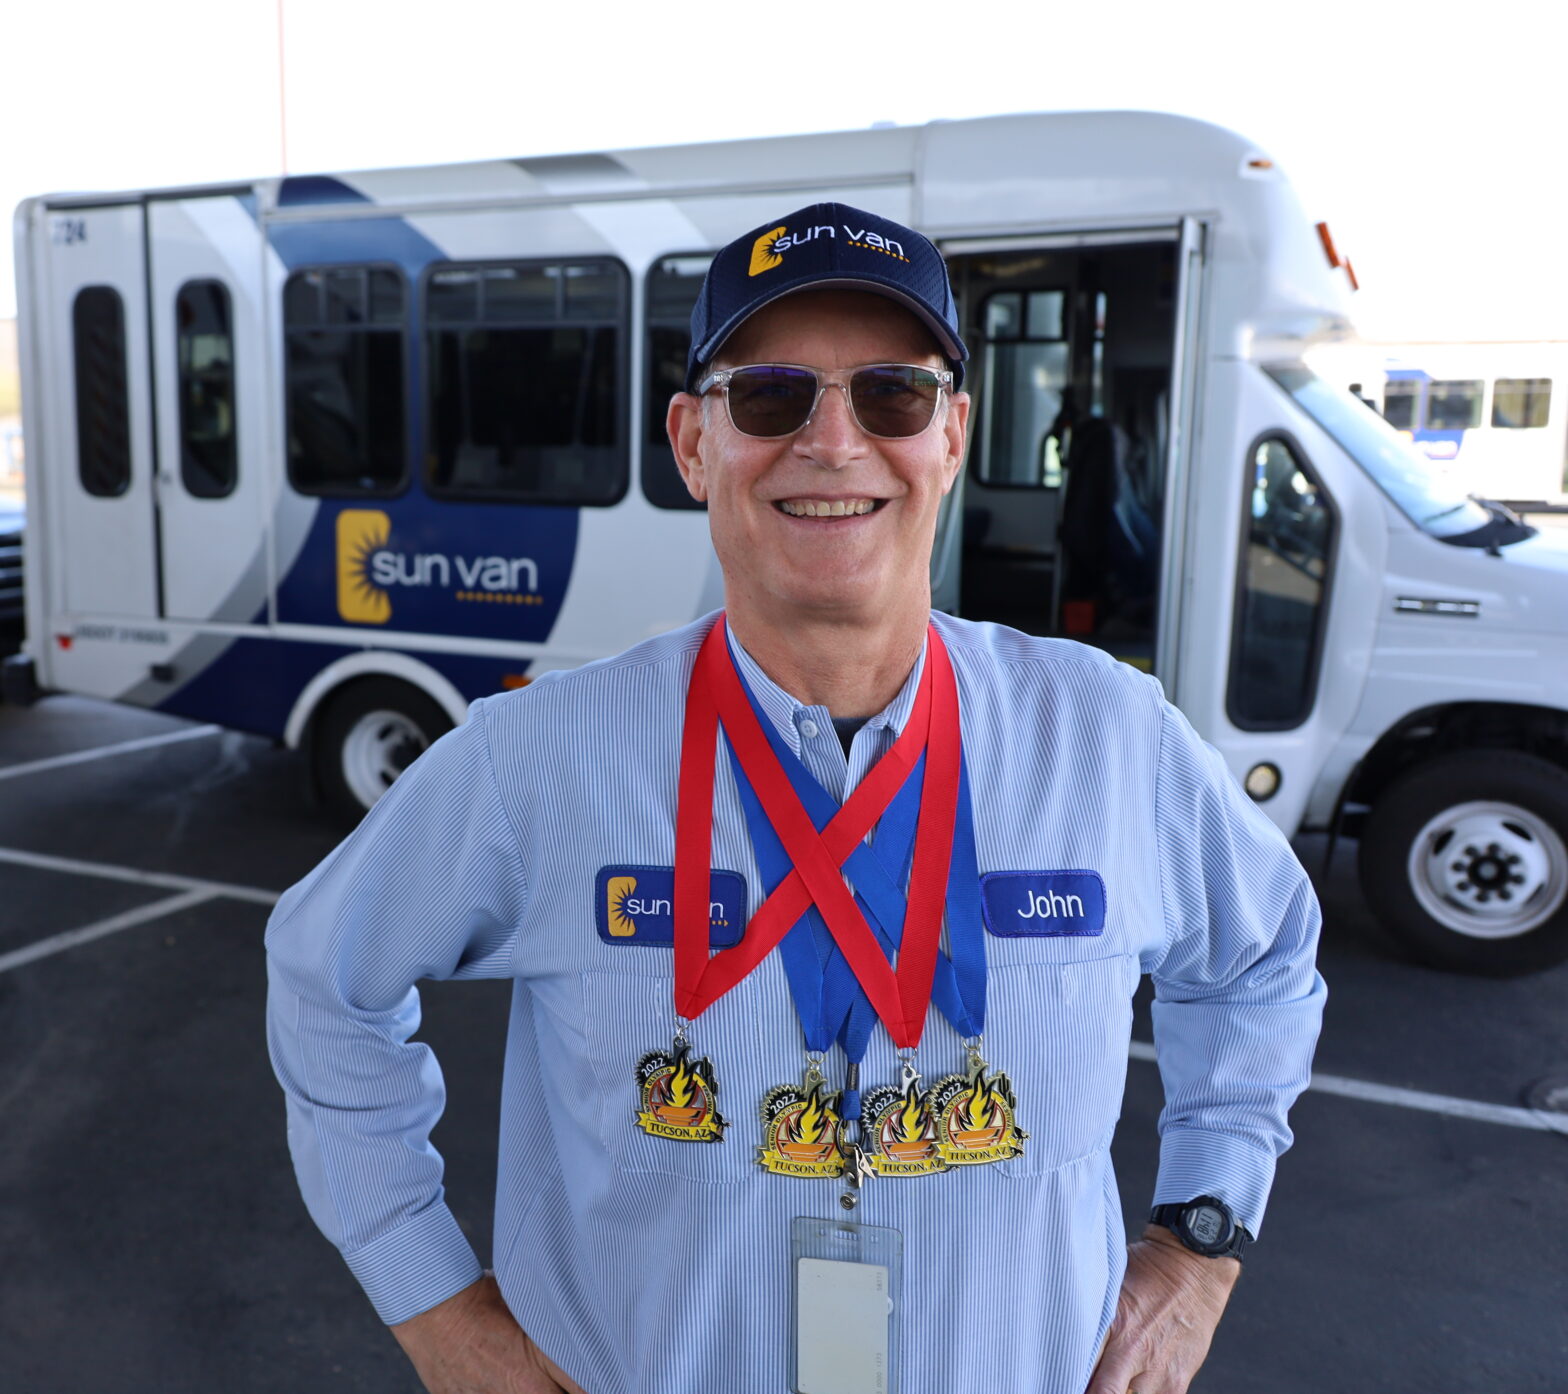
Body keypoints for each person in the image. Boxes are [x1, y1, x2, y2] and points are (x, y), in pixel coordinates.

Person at [266, 202, 1325, 1394]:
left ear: (952, 435)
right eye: (770, 395)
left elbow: (1264, 956)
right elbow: (324, 978)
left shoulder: (1108, 736)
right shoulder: (537, 758)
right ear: (692, 442)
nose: (832, 441)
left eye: (892, 395)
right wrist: (436, 1309)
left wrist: (1198, 1249)